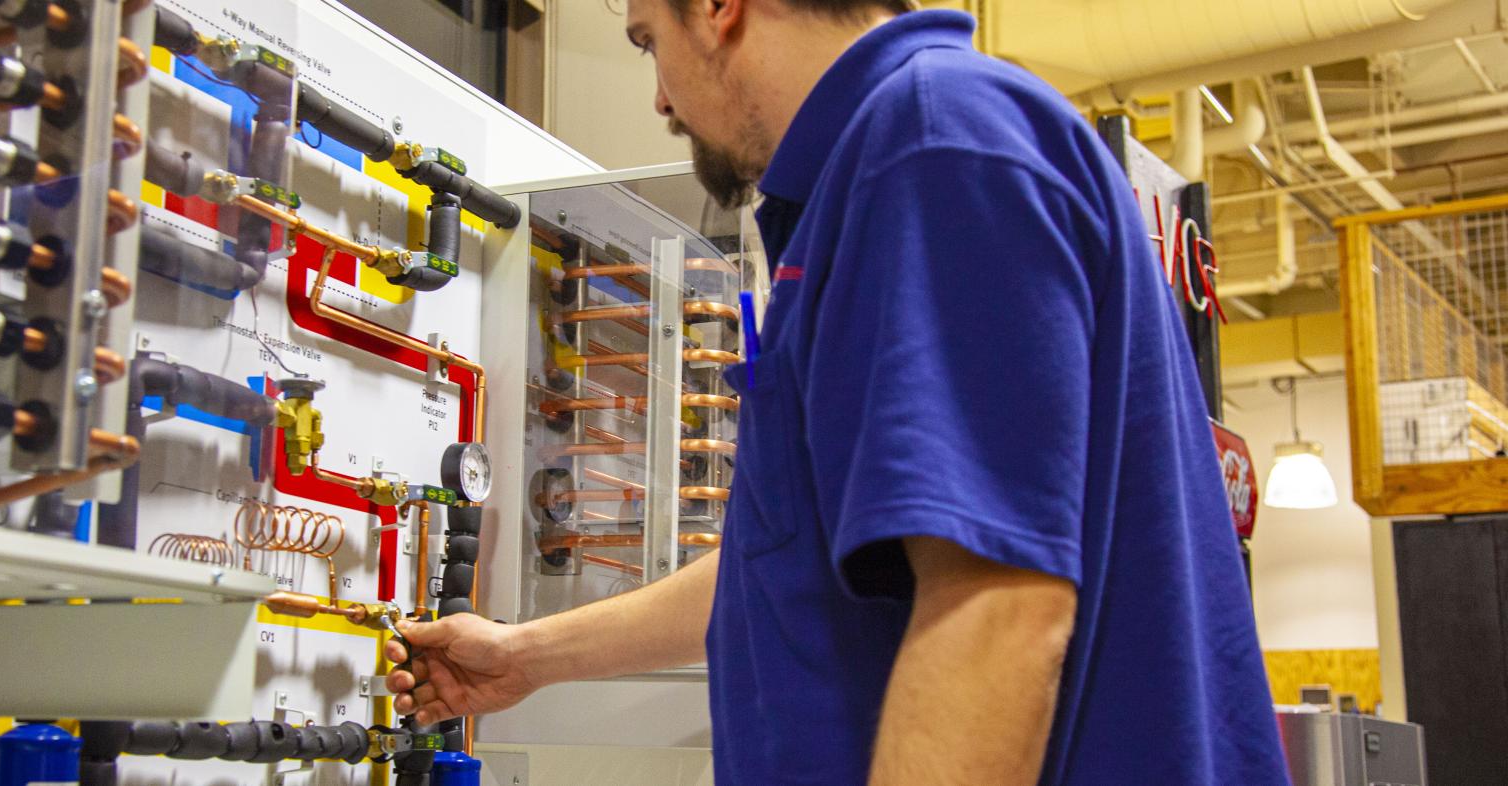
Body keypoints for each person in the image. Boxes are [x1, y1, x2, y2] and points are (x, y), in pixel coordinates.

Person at [387, 1, 1291, 783]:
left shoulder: (932, 145)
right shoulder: (886, 168)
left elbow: (994, 612)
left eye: (645, 41)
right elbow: (791, 557)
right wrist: (524, 657)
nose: (659, 97)